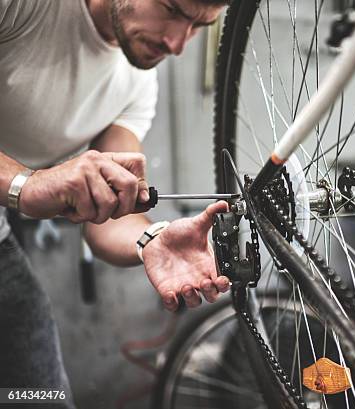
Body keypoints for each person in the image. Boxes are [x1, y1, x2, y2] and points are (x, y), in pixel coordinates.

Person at [0, 0, 230, 406]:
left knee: (36, 395)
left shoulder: (137, 86)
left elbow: (113, 217)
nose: (178, 43)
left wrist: (152, 238)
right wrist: (26, 183)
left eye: (198, 26)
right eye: (172, 10)